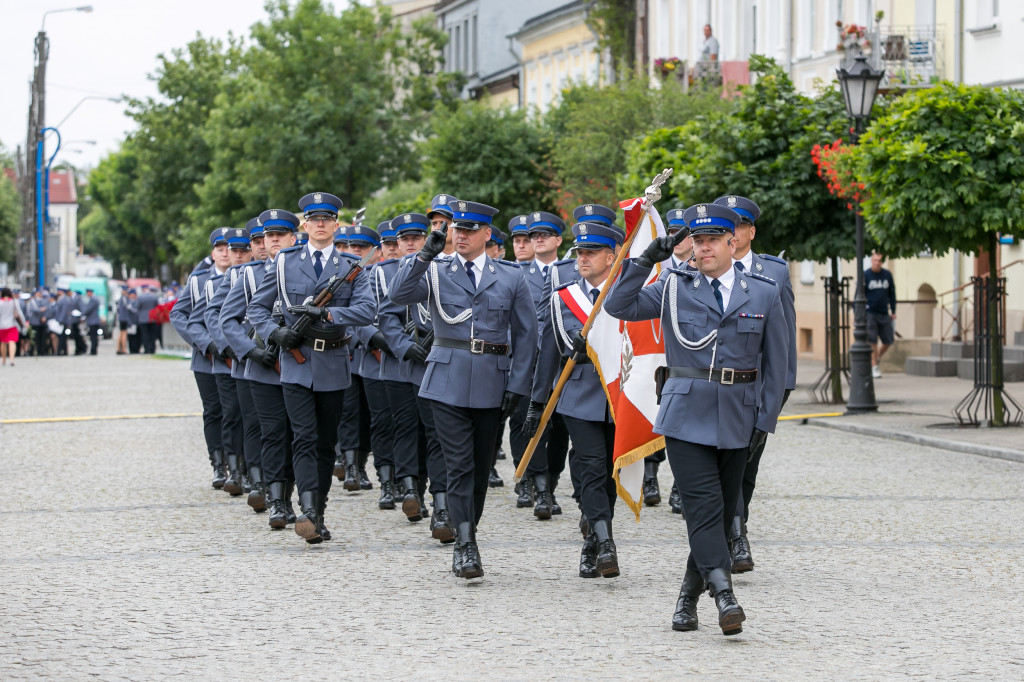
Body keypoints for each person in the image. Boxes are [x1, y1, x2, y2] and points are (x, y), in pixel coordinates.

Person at [605, 202, 788, 636]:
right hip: (685, 411)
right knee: (703, 509)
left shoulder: (762, 290)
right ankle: (724, 593)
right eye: (697, 240)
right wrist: (645, 260)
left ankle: (687, 597)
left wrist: (766, 420)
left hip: (738, 415)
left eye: (711, 240)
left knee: (722, 515)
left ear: (731, 241)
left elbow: (776, 364)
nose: (703, 248)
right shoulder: (673, 285)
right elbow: (618, 305)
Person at [389, 200, 538, 580]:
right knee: (459, 464)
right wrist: (425, 253)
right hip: (447, 379)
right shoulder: (436, 271)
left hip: (493, 379)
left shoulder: (511, 276)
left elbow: (526, 334)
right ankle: (466, 544)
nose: (463, 236)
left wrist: (518, 385)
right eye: (458, 229)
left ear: (487, 234)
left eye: (472, 230)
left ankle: (467, 528)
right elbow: (398, 294)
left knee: (480, 466)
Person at [247, 192, 375, 544]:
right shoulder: (285, 262)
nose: (320, 224)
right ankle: (308, 512)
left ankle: (318, 509)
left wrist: (332, 314)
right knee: (303, 437)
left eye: (327, 218)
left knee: (325, 442)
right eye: (314, 218)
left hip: (333, 362)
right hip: (296, 362)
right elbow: (256, 309)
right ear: (304, 224)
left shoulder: (351, 266)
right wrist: (277, 332)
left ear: (336, 224)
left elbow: (367, 311)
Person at [525, 219, 627, 579]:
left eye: (591, 252)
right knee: (591, 466)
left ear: (611, 255)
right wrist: (538, 403)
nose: (582, 258)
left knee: (611, 472)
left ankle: (592, 544)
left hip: (618, 394)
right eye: (580, 252)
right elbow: (547, 354)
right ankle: (606, 540)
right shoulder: (561, 297)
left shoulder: (626, 293)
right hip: (579, 394)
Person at [713, 194, 796, 573]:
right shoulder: (704, 267)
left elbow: (785, 338)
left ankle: (737, 530)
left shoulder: (774, 272)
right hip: (715, 387)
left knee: (747, 467)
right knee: (718, 466)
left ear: (750, 231)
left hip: (756, 388)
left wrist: (780, 396)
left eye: (738, 226)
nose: (732, 233)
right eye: (725, 227)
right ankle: (730, 533)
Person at [223, 208, 301, 529]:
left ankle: (293, 491)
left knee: (299, 436)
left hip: (300, 365)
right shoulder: (249, 275)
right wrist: (251, 352)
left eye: (281, 235)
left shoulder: (303, 269)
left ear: (293, 238)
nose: (275, 241)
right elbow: (227, 320)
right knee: (272, 433)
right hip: (264, 368)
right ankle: (276, 501)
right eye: (270, 237)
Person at [169, 228, 231, 489]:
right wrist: (206, 343)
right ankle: (218, 464)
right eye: (220, 249)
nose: (226, 253)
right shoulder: (198, 282)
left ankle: (240, 464)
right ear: (212, 253)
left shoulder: (248, 275)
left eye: (231, 248)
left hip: (236, 358)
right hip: (207, 358)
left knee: (237, 412)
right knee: (214, 411)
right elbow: (179, 315)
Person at [865, 251, 896, 378]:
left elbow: (892, 293)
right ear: (872, 261)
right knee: (872, 338)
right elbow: (859, 294)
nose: (877, 263)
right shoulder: (866, 275)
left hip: (884, 312)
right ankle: (874, 366)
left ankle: (875, 359)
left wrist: (893, 311)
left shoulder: (887, 275)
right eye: (875, 260)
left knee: (888, 340)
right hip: (870, 312)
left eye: (879, 261)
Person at [0, 288, 27, 366]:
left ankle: (4, 359)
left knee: (3, 343)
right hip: (12, 324)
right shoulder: (13, 301)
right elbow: (19, 313)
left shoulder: (0, 302)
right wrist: (24, 323)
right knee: (12, 341)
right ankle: (12, 359)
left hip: (1, 325)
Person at [81, 288, 102, 355]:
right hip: (94, 321)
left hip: (93, 321)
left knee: (93, 337)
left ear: (90, 292)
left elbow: (88, 309)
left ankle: (93, 351)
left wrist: (82, 313)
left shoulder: (93, 299)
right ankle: (93, 350)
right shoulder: (95, 299)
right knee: (94, 336)